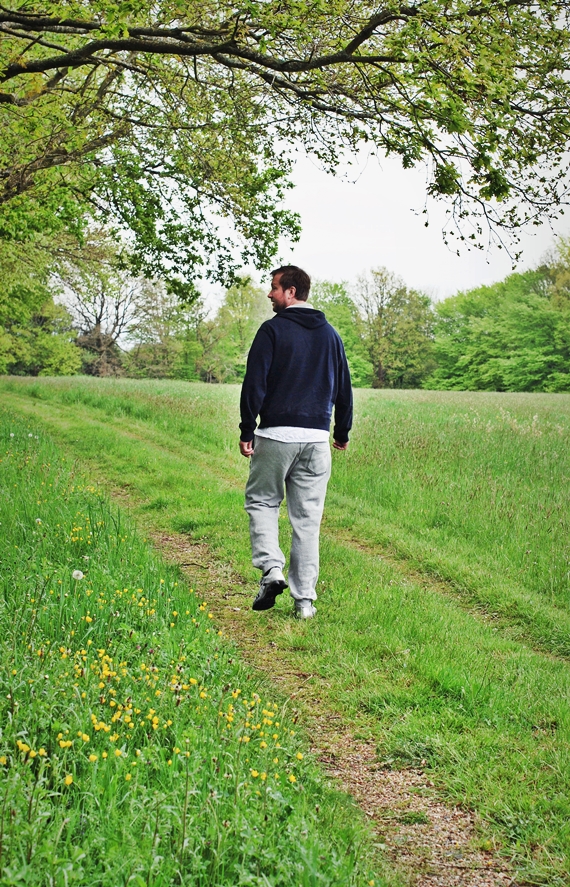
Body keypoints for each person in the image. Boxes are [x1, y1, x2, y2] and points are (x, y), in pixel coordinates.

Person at [239, 265, 353, 619]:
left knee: (262, 501)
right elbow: (344, 388)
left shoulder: (272, 330)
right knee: (307, 519)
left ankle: (272, 569)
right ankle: (304, 603)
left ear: (291, 292)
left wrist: (247, 429)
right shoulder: (331, 336)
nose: (269, 293)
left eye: (274, 287)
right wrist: (341, 432)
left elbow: (254, 383)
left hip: (276, 435)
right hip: (316, 441)